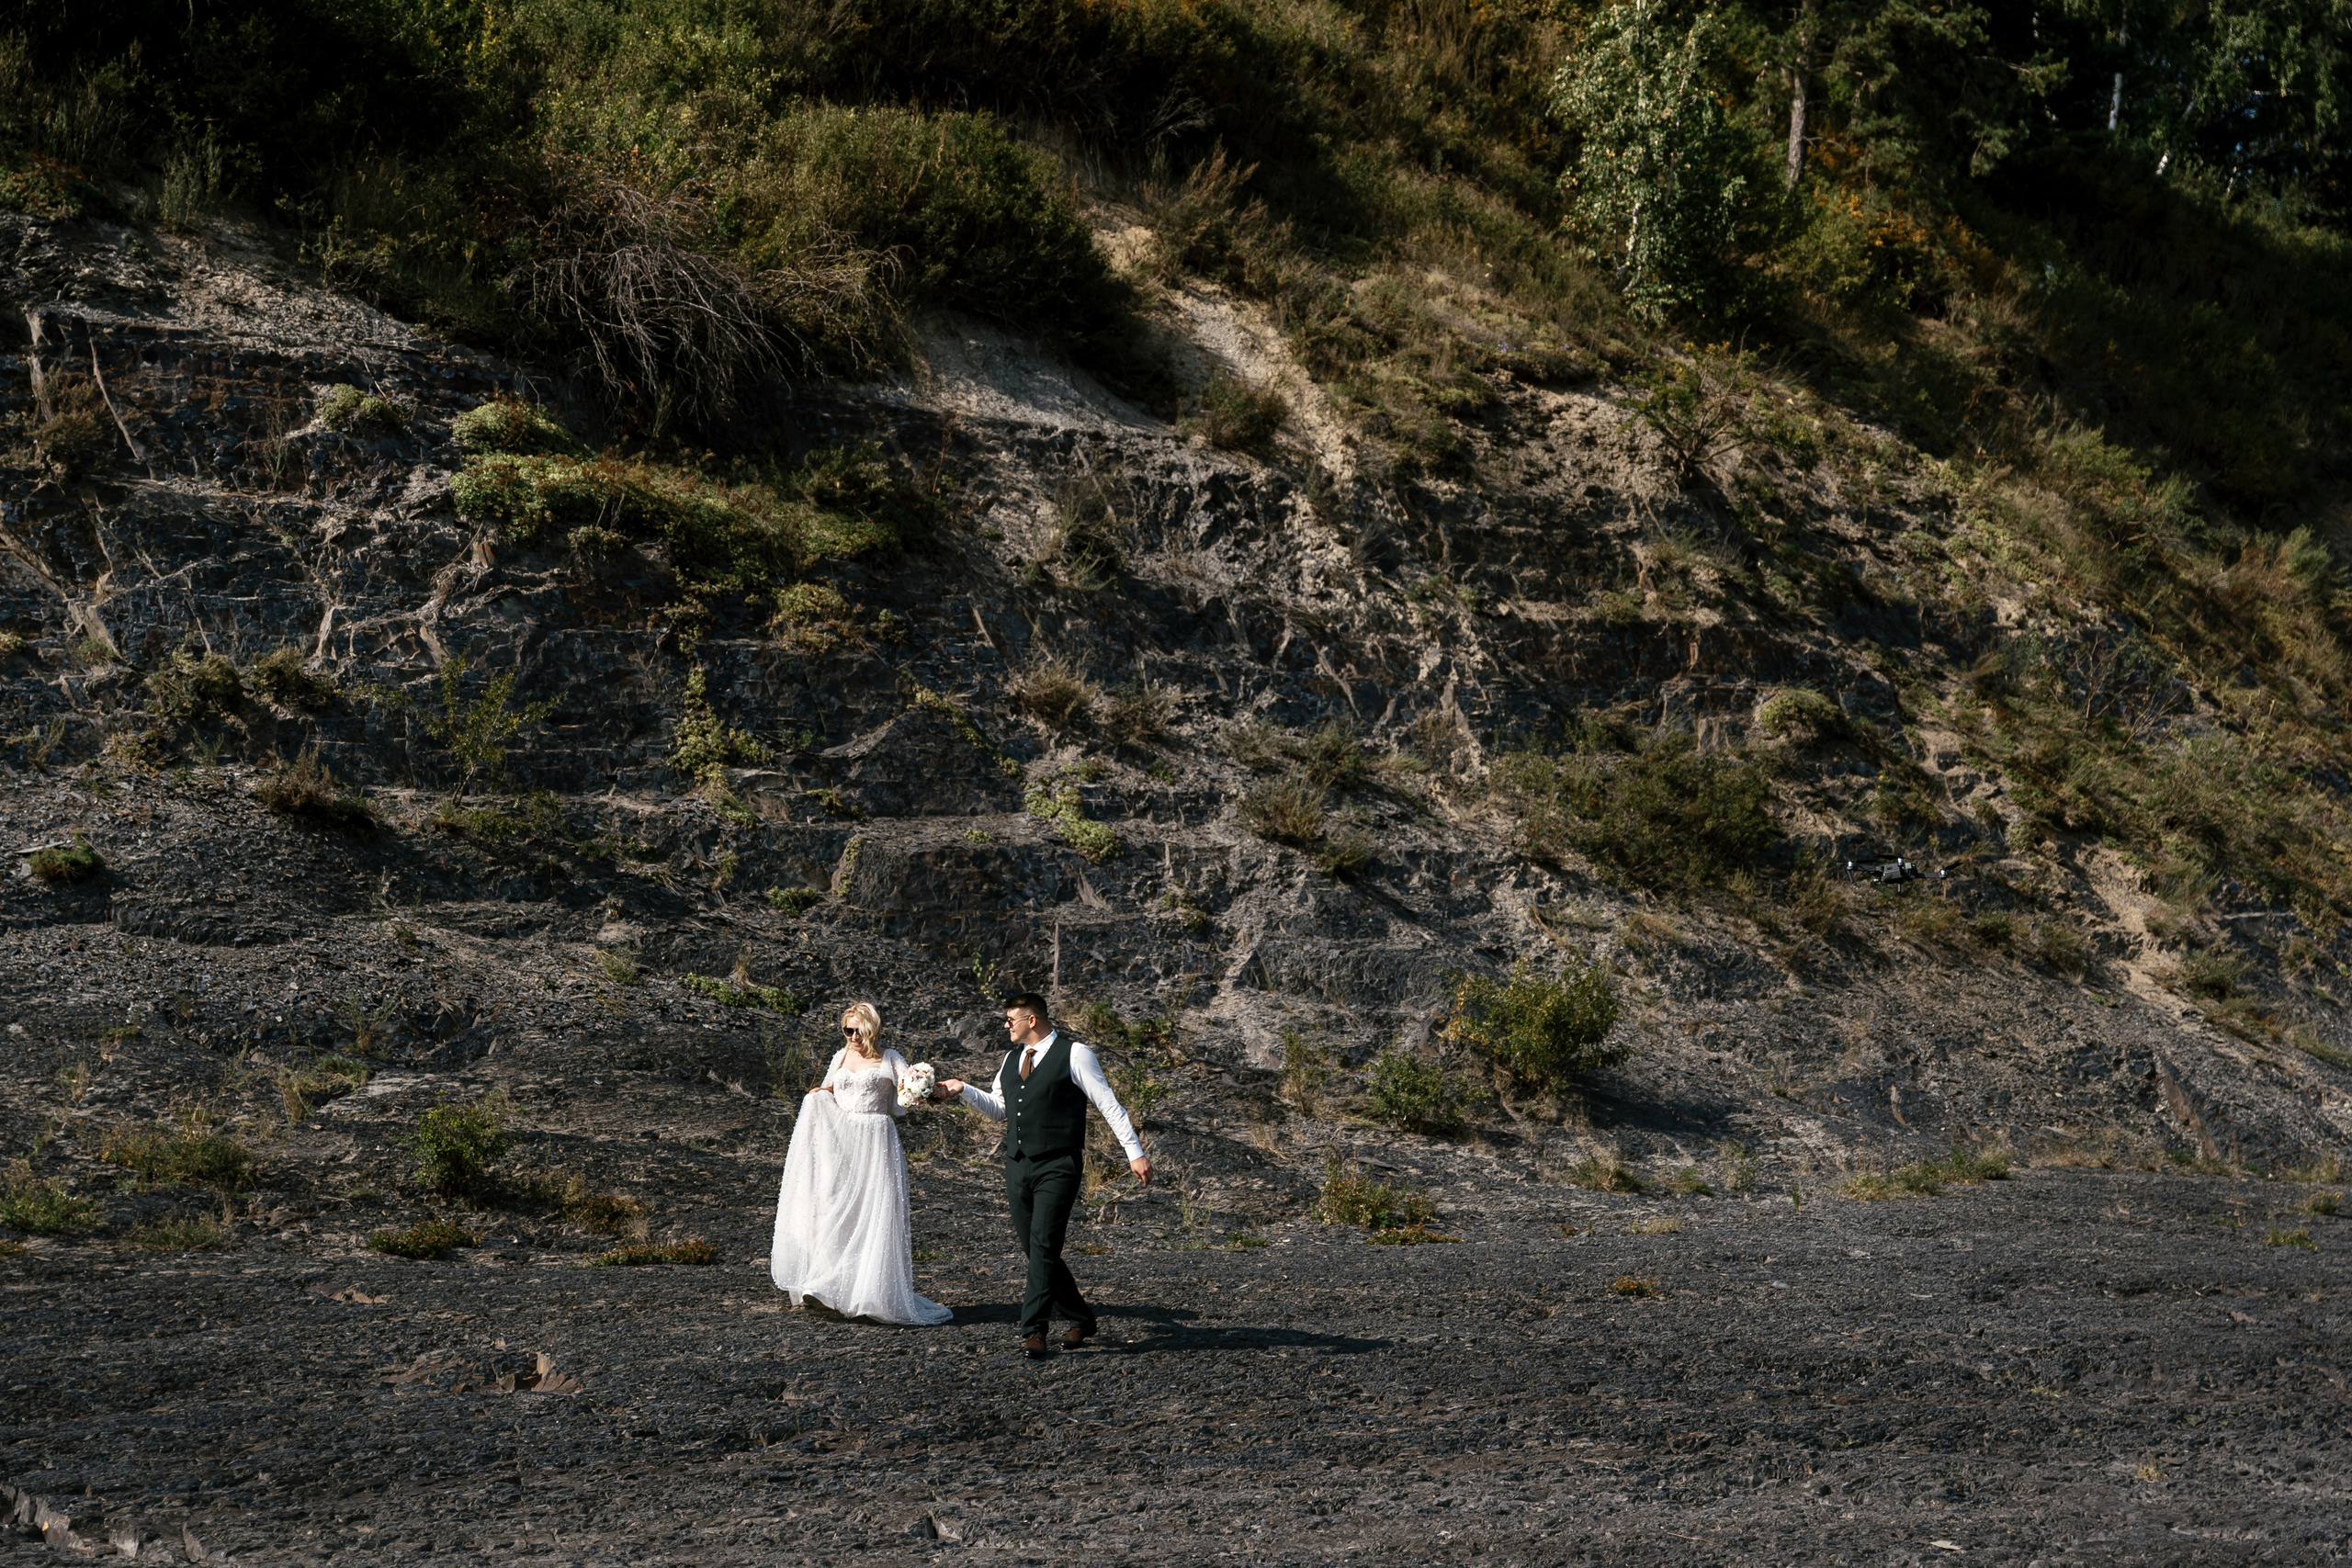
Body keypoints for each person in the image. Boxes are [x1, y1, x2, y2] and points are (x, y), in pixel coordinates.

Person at [934, 990, 1151, 1358]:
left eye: (1010, 1021)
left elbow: (1108, 1105)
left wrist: (1135, 1152)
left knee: (1044, 1245)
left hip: (1059, 1165)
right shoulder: (1011, 1059)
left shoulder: (1075, 1054)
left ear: (1031, 1020)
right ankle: (1081, 1317)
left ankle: (1033, 1330)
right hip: (1018, 1164)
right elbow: (1000, 1110)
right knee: (1035, 1248)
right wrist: (962, 1089)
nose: (1006, 1026)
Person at [768, 1001, 951, 1325]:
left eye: (857, 1030)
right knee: (835, 1208)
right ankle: (829, 1283)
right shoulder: (840, 1057)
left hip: (876, 1139)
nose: (851, 1036)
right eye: (846, 1029)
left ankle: (868, 1291)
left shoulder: (889, 1057)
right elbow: (829, 1089)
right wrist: (818, 1094)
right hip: (841, 1140)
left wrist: (921, 1088)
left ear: (872, 1029)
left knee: (874, 1211)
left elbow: (907, 1090)